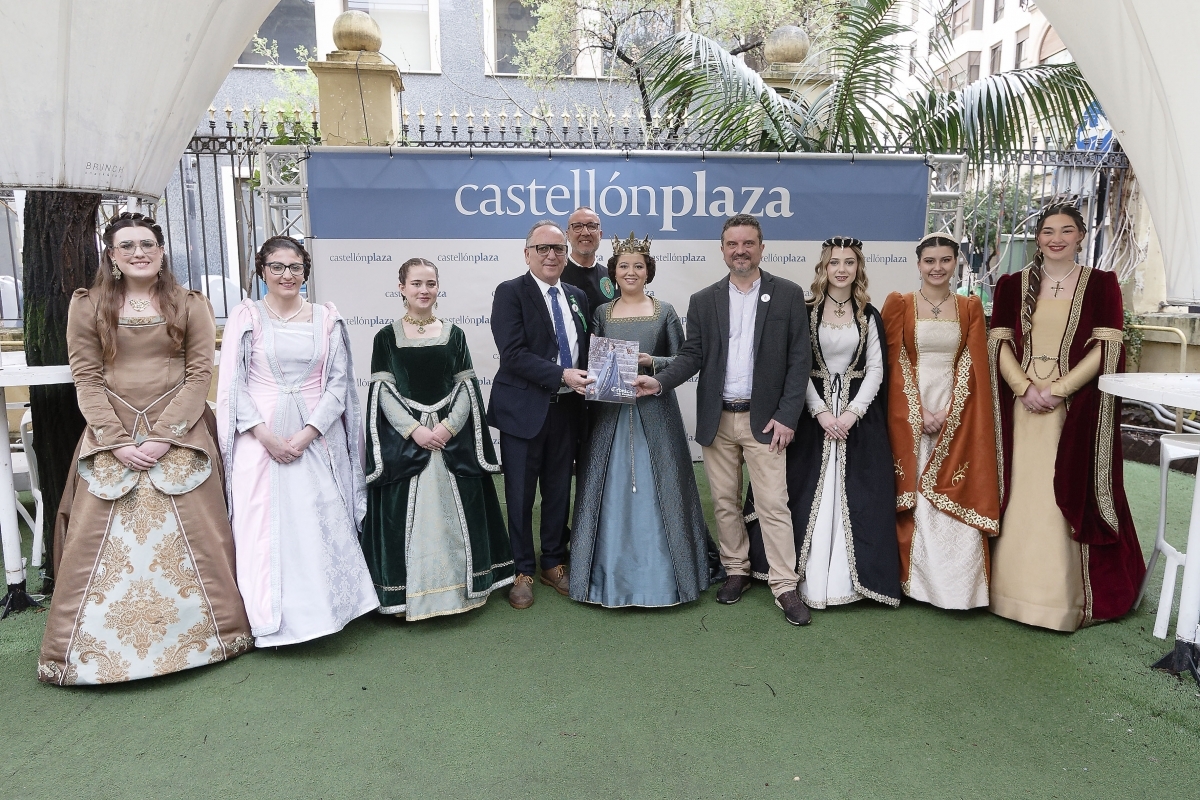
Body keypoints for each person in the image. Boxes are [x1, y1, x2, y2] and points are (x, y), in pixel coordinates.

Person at [39, 212, 252, 685]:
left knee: (203, 534)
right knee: (93, 536)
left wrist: (165, 435)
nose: (139, 252)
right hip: (110, 432)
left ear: (161, 252)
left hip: (180, 430)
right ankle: (88, 654)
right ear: (112, 256)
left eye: (148, 244)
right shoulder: (89, 305)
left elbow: (200, 374)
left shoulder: (189, 303)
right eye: (128, 246)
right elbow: (87, 377)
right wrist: (115, 442)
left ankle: (212, 637)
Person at [633, 214, 812, 626]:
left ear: (762, 247)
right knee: (726, 502)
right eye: (733, 244)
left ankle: (785, 585)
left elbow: (800, 361)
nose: (741, 250)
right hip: (718, 418)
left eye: (748, 243)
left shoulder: (786, 294)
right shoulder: (704, 299)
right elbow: (692, 356)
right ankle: (737, 570)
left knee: (772, 505)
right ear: (723, 250)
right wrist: (658, 383)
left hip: (767, 423)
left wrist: (788, 416)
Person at [988, 203, 1145, 631]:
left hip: (1071, 410)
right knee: (1021, 491)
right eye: (1048, 231)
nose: (1056, 238)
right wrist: (1023, 389)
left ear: (1080, 236)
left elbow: (1107, 348)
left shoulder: (1101, 284)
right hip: (1023, 409)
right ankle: (1006, 591)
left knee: (1064, 489)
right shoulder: (1010, 284)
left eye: (1066, 230)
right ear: (1037, 238)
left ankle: (1060, 601)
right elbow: (997, 345)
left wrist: (1057, 391)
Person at [216, 236, 377, 646]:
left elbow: (338, 384)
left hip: (315, 436)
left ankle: (328, 612)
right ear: (262, 271)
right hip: (259, 437)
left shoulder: (325, 317)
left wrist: (308, 434)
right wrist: (265, 436)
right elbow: (234, 384)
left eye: (295, 267)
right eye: (277, 267)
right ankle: (267, 619)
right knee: (262, 525)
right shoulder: (246, 315)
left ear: (305, 271)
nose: (287, 275)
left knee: (317, 518)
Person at [746, 237, 900, 611]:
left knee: (861, 494)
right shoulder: (806, 310)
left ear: (858, 268)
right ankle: (795, 575)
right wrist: (821, 412)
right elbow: (797, 364)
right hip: (811, 416)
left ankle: (850, 580)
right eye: (834, 263)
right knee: (797, 492)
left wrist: (851, 413)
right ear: (823, 268)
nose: (842, 269)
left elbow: (877, 369)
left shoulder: (868, 313)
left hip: (856, 420)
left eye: (849, 262)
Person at [361, 258, 514, 619]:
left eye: (430, 283)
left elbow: (465, 387)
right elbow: (382, 391)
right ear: (402, 288)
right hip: (409, 444)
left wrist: (447, 427)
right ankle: (404, 597)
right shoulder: (385, 336)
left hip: (449, 442)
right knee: (408, 519)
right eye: (416, 283)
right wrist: (414, 430)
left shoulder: (454, 334)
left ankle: (462, 591)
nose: (424, 290)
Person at [569, 233, 712, 607]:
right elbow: (592, 362)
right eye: (623, 266)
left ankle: (669, 575)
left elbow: (684, 360)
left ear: (648, 271)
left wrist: (652, 363)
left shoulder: (663, 311)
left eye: (638, 266)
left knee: (661, 483)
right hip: (610, 415)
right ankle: (604, 576)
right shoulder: (602, 313)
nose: (630, 272)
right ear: (613, 272)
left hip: (655, 411)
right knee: (608, 486)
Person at [882, 234, 999, 610]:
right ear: (918, 264)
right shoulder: (900, 304)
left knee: (953, 481)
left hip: (957, 407)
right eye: (929, 260)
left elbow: (975, 363)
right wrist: (918, 412)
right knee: (914, 489)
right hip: (910, 407)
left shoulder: (969, 307)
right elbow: (892, 364)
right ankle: (913, 584)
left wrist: (951, 411)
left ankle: (957, 588)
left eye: (945, 260)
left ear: (955, 263)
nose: (937, 267)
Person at [488, 221, 592, 609]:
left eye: (558, 249)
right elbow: (512, 354)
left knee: (558, 490)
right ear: (527, 252)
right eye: (543, 248)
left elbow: (586, 349)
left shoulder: (578, 295)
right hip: (523, 411)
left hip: (568, 410)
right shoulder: (510, 292)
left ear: (567, 255)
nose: (551, 255)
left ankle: (552, 562)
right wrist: (561, 374)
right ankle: (521, 569)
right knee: (518, 495)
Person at [560, 206, 613, 314]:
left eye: (592, 226)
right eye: (577, 226)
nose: (585, 232)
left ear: (600, 235)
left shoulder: (612, 277)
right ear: (568, 235)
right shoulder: (555, 276)